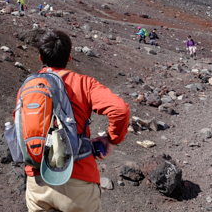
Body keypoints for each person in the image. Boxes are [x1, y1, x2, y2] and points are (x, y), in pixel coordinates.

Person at [20, 31, 130, 212]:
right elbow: (120, 109)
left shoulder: (28, 87)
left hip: (37, 181)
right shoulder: (84, 84)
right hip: (78, 181)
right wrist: (111, 139)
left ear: (40, 57)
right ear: (69, 57)